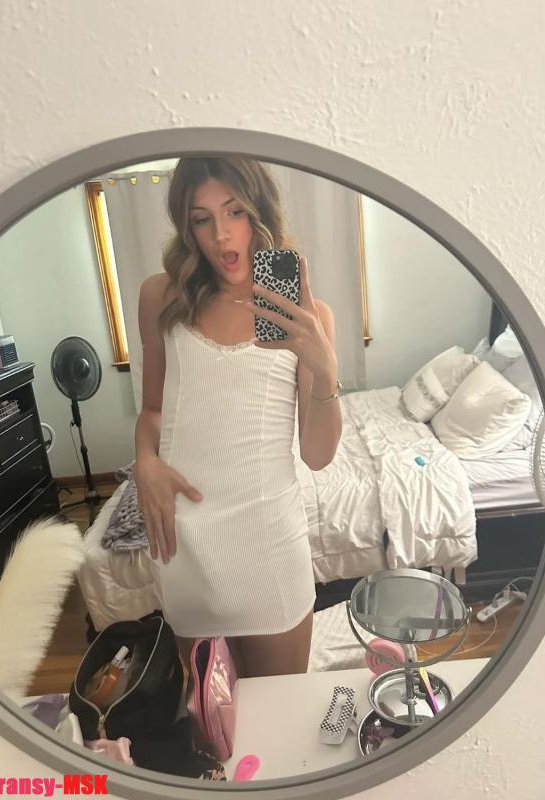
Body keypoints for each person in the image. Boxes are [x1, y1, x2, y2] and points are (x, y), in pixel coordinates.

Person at [134, 157, 341, 678]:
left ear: (259, 212)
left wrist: (324, 371)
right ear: (187, 226)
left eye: (235, 212)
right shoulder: (162, 297)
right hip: (186, 543)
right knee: (212, 715)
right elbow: (154, 410)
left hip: (269, 544)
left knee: (281, 710)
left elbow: (317, 456)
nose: (221, 235)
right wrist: (145, 463)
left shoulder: (307, 317)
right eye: (201, 218)